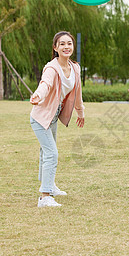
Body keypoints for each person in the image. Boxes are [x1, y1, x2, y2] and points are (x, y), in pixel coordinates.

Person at [30, 31, 85, 208]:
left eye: (69, 43)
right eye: (62, 44)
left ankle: (49, 186)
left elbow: (77, 92)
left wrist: (80, 112)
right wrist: (38, 95)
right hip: (41, 117)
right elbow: (45, 84)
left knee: (46, 152)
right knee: (52, 153)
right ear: (55, 48)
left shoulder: (75, 68)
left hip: (53, 116)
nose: (66, 46)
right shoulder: (52, 68)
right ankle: (45, 197)